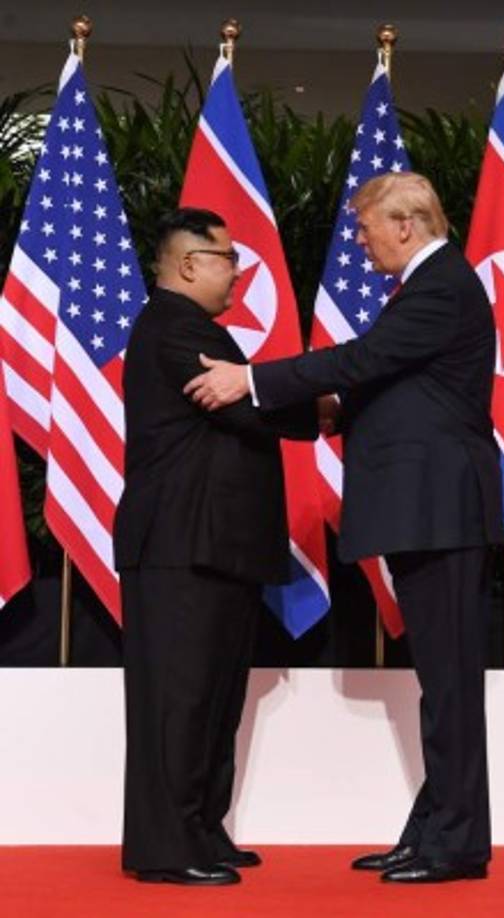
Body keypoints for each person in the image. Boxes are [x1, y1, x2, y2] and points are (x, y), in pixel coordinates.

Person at [184, 173, 504, 884]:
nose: (358, 244)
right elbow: (400, 386)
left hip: (439, 508)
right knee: (441, 681)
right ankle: (432, 834)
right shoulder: (429, 286)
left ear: (406, 224)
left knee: (449, 684)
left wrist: (251, 380)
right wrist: (337, 415)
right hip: (426, 508)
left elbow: (365, 360)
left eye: (364, 229)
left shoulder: (441, 284)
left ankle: (455, 845)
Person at [113, 207, 317, 886]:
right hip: (179, 541)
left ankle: (201, 827)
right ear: (189, 263)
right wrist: (325, 402)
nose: (237, 270)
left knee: (213, 697)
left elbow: (252, 401)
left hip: (215, 544)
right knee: (180, 699)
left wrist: (286, 399)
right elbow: (246, 406)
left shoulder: (200, 331)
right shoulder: (173, 328)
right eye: (228, 258)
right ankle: (166, 846)